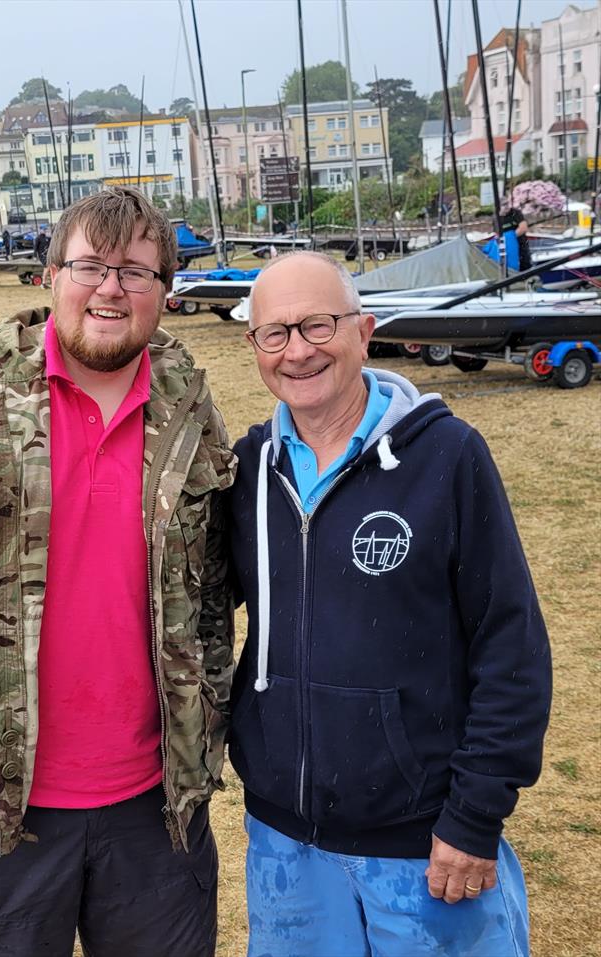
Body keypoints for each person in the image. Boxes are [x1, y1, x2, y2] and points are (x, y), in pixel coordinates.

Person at [0, 186, 235, 957]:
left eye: (136, 271)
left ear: (165, 291)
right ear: (52, 275)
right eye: (91, 265)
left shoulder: (190, 412)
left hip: (156, 803)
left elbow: (214, 586)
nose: (111, 288)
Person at [226, 251, 552, 957]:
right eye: (274, 333)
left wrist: (474, 816)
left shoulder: (449, 457)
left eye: (318, 325)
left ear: (364, 330)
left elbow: (511, 645)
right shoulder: (247, 471)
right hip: (285, 848)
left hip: (426, 844)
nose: (299, 350)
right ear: (253, 346)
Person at [34, 222, 51, 288]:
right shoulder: (38, 238)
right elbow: (35, 248)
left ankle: (45, 282)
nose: (44, 230)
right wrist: (35, 256)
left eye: (45, 229)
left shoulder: (47, 238)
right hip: (42, 255)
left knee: (49, 267)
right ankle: (43, 283)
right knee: (47, 267)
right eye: (43, 229)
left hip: (48, 255)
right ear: (40, 230)